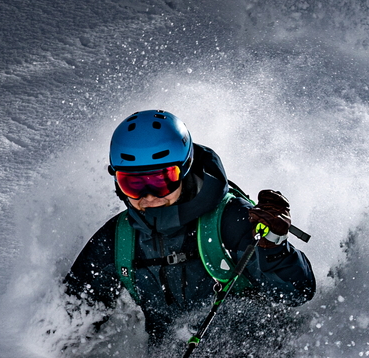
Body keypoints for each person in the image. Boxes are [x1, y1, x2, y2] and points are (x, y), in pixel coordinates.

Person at [65, 110, 316, 345]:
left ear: (184, 170)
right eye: (133, 184)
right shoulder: (118, 239)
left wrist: (273, 245)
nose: (149, 196)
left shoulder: (230, 219)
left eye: (161, 180)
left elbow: (297, 293)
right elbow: (72, 318)